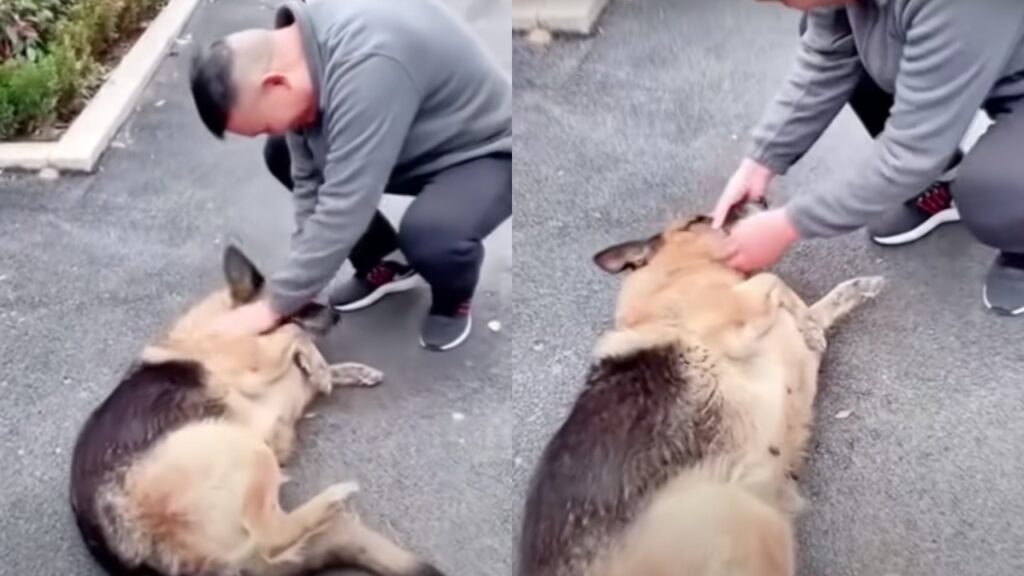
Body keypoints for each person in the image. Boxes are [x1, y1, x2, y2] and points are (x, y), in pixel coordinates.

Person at [188, 0, 512, 351]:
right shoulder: (300, 52)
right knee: (280, 151)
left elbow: (345, 204)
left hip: (487, 150)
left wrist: (270, 307)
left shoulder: (369, 64)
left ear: (276, 83)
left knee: (431, 235)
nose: (273, 128)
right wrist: (295, 288)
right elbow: (308, 181)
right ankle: (388, 260)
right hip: (414, 136)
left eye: (264, 123)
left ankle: (453, 302)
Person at [713, 0, 1024, 316]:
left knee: (992, 189)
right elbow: (826, 59)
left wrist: (788, 224)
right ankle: (943, 184)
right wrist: (760, 162)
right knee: (859, 41)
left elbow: (908, 155)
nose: (787, 6)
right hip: (974, 57)